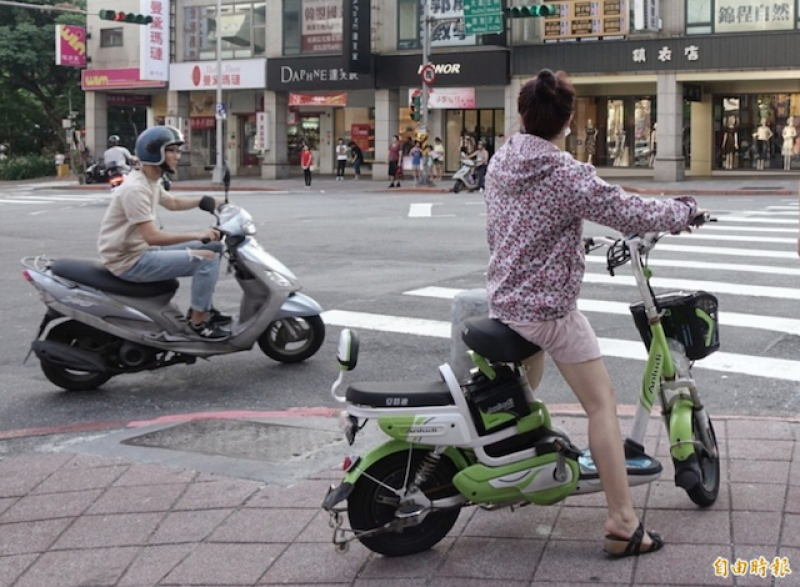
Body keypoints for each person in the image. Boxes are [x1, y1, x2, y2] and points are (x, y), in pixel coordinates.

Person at [484, 69, 706, 558]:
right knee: (602, 405)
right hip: (548, 312)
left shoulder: (502, 160)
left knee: (522, 394)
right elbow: (632, 213)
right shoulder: (566, 174)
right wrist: (683, 211)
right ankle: (623, 521)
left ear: (523, 114)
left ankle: (507, 462)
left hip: (505, 300)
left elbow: (519, 225)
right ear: (567, 121)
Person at [97, 125, 230, 340]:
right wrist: (198, 234)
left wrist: (211, 202)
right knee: (207, 258)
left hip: (144, 251)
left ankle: (203, 307)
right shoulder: (135, 189)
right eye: (172, 151)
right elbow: (153, 237)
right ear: (155, 152)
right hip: (130, 261)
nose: (177, 156)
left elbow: (173, 202)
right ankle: (198, 323)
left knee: (215, 246)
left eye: (178, 151)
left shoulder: (150, 179)